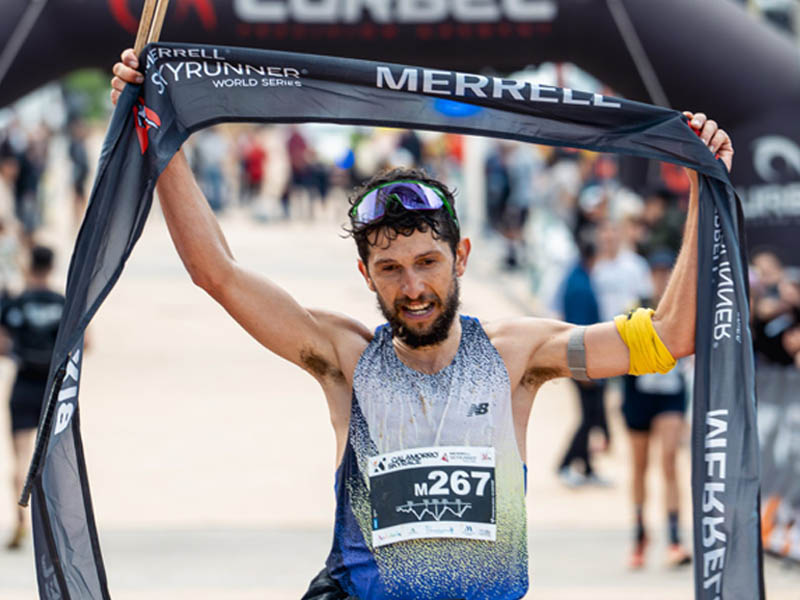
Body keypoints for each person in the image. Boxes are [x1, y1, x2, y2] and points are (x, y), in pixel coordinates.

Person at [111, 49, 733, 600]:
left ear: (460, 258)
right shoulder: (343, 356)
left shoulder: (518, 355)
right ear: (366, 274)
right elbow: (216, 273)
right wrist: (156, 135)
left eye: (428, 263)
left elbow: (673, 336)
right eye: (390, 269)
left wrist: (703, 188)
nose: (412, 289)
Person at [621, 249, 692, 569]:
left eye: (668, 274)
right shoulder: (635, 309)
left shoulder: (683, 312)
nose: (662, 280)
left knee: (668, 461)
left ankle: (675, 538)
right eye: (658, 274)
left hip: (671, 395)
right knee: (640, 466)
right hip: (640, 394)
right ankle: (639, 534)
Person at [3, 245, 65, 550]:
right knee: (51, 459)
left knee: (20, 457)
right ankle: (50, 525)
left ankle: (20, 522)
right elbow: (85, 343)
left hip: (24, 383)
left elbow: (3, 345)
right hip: (52, 388)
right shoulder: (61, 302)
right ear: (52, 267)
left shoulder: (18, 303)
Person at [556, 227, 610, 487]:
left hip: (586, 359)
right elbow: (578, 331)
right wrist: (583, 369)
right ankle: (566, 463)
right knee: (589, 416)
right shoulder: (579, 285)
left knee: (591, 415)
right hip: (583, 361)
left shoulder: (578, 278)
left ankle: (586, 467)